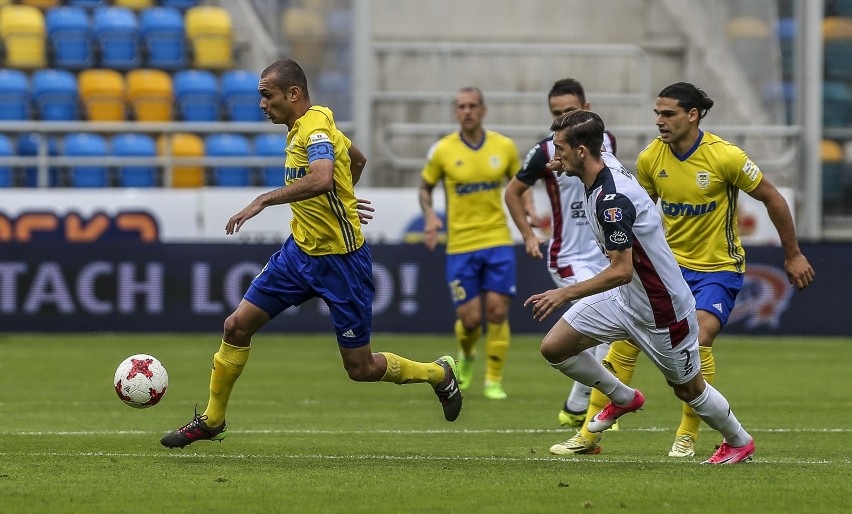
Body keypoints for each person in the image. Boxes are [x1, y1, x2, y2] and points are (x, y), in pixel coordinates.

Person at [160, 58, 462, 449]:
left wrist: (265, 200)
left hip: (341, 263)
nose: (262, 104)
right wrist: (345, 194)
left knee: (361, 367)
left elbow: (320, 178)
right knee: (236, 327)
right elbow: (357, 159)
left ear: (294, 93)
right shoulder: (312, 124)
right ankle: (213, 420)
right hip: (298, 255)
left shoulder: (315, 127)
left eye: (267, 96)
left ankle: (438, 374)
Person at [572, 82, 816, 458]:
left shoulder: (725, 156)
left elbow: (772, 197)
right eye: (656, 113)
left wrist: (794, 254)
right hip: (669, 270)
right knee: (625, 340)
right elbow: (637, 213)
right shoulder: (652, 158)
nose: (659, 121)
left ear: (693, 115)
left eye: (667, 114)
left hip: (719, 269)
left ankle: (687, 434)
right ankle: (588, 436)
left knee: (700, 338)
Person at [526, 109, 755, 464]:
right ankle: (622, 397)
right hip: (623, 301)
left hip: (662, 310)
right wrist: (563, 160)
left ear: (583, 151)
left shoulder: (612, 202)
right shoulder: (603, 161)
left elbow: (621, 270)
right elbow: (591, 141)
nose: (554, 156)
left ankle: (739, 440)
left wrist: (563, 293)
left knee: (688, 389)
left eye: (560, 149)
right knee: (555, 348)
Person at [504, 78, 628, 433]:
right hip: (568, 254)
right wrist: (528, 235)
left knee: (604, 328)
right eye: (556, 114)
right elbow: (513, 192)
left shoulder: (608, 143)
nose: (563, 119)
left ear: (587, 108)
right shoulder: (546, 151)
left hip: (603, 253)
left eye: (570, 111)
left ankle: (575, 406)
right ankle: (592, 410)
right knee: (605, 324)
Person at [419, 86, 522, 400]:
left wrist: (529, 211)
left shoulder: (504, 147)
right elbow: (425, 188)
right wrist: (429, 216)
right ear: (455, 112)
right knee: (471, 319)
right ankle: (466, 356)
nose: (467, 111)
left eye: (472, 106)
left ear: (483, 110)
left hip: (498, 240)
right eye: (461, 106)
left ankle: (493, 379)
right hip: (461, 245)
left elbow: (520, 185)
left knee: (496, 313)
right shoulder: (442, 150)